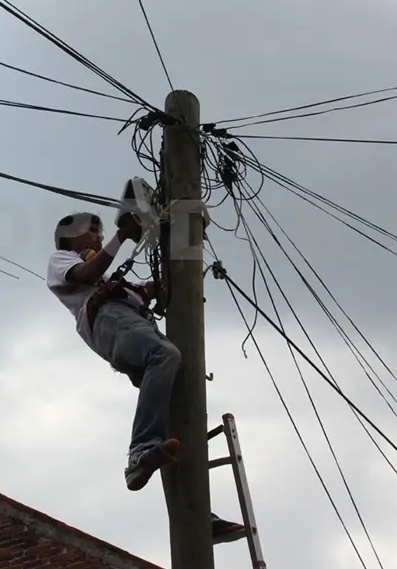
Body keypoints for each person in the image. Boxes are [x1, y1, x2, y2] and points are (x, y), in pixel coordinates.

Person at [46, 211, 248, 545]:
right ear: (69, 237)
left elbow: (145, 289)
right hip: (109, 321)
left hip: (129, 323)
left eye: (101, 231)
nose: (98, 236)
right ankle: (140, 450)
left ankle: (197, 514)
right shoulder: (62, 259)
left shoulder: (110, 275)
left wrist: (181, 254)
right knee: (165, 355)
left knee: (174, 419)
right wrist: (123, 236)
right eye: (91, 231)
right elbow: (85, 274)